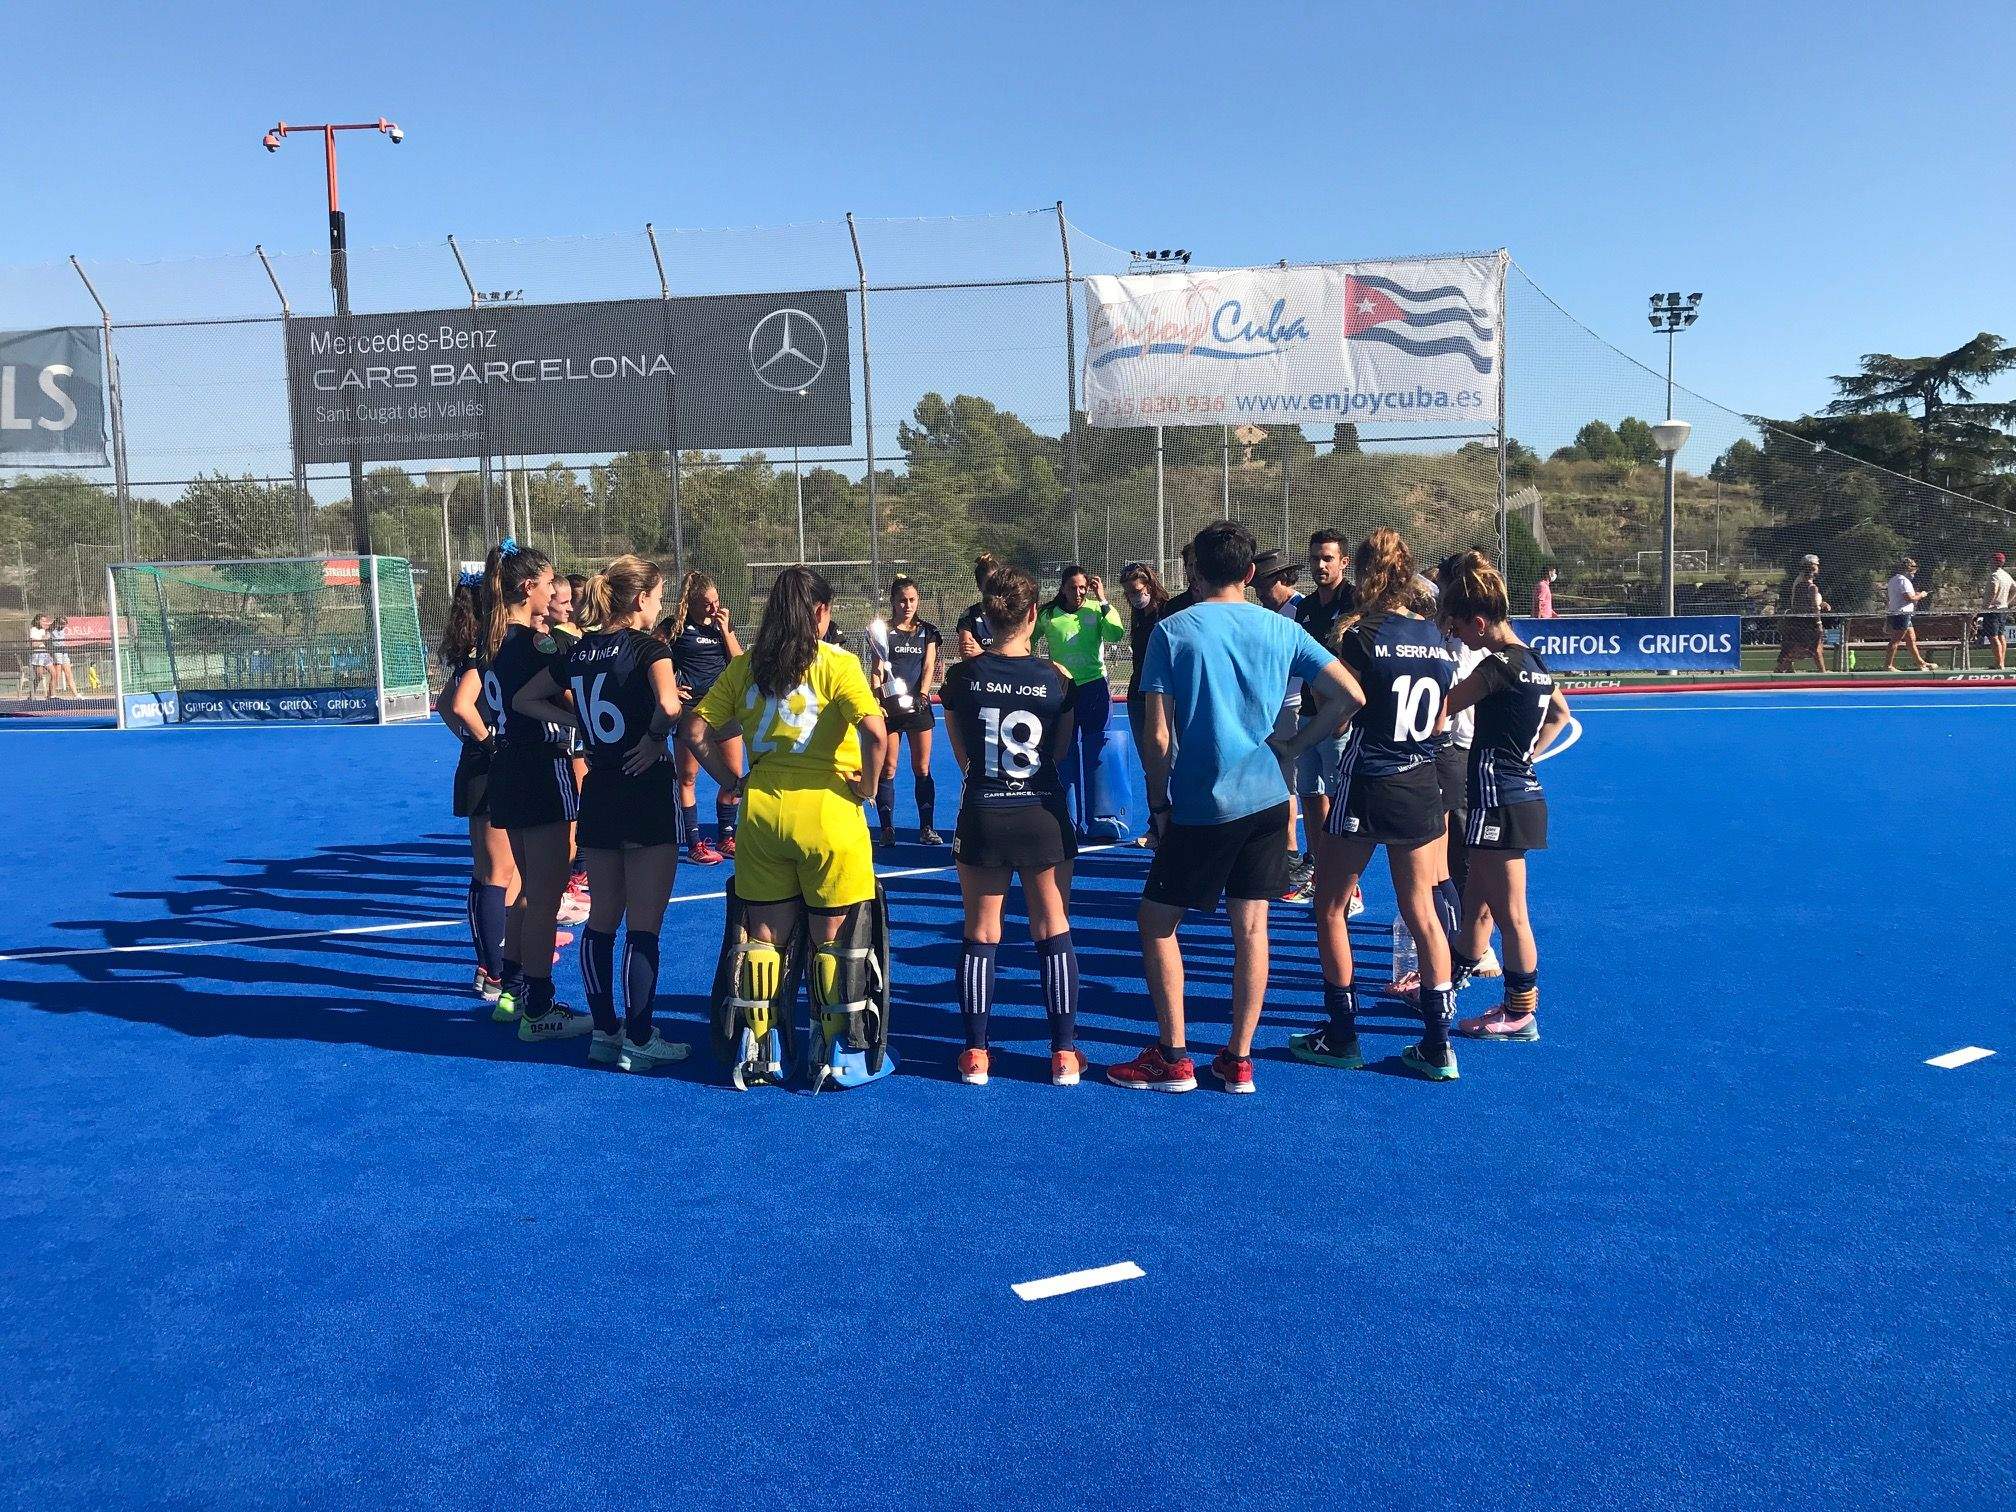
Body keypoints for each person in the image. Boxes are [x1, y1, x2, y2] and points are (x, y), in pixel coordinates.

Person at [1110, 520, 1364, 1095]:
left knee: (1157, 922)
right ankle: (1237, 1058)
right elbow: (1351, 693)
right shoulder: (1281, 629)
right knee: (1252, 927)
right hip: (1270, 798)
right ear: (1251, 574)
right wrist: (1295, 745)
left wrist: (1158, 803)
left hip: (1204, 801)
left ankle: (1175, 1057)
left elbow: (1155, 737)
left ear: (1196, 572)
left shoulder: (1173, 632)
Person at [690, 567, 891, 1087]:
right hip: (828, 813)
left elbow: (694, 729)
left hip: (763, 814)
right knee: (835, 941)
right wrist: (867, 788)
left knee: (763, 938)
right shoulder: (837, 664)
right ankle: (836, 1054)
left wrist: (732, 780)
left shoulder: (746, 666)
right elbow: (875, 730)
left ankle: (759, 1050)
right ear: (820, 613)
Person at [1289, 529, 1463, 1082]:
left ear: (1364, 573)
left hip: (1368, 778)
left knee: (1331, 906)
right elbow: (1439, 719)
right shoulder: (1437, 640)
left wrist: (1295, 742)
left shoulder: (1362, 635)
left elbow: (1341, 709)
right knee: (1422, 911)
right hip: (1420, 780)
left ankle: (1342, 1034)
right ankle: (1438, 1045)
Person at [516, 555, 692, 1073]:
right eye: (658, 596)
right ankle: (638, 1036)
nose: (659, 604)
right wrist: (656, 736)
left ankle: (605, 1031)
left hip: (600, 794)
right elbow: (670, 704)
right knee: (645, 924)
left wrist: (580, 730)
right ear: (641, 599)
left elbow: (527, 699)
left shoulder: (582, 650)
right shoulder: (648, 648)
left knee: (603, 918)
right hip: (644, 790)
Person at [938, 561, 1085, 1087]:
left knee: (981, 932)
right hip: (1042, 812)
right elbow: (1061, 750)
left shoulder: (962, 677)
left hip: (984, 810)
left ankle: (976, 1053)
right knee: (1053, 928)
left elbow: (963, 754)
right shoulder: (1056, 679)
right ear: (1032, 615)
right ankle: (1064, 1055)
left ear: (987, 615)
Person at [1440, 551, 1573, 1045]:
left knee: (1512, 912)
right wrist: (1529, 754)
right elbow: (1559, 715)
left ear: (1480, 621)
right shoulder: (1534, 662)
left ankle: (1520, 1012)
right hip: (1512, 794)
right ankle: (1445, 983)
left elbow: (1441, 709)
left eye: (1461, 630)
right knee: (1477, 902)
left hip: (1500, 800)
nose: (1460, 640)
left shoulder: (1497, 666)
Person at [481, 539, 592, 1042]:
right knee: (545, 896)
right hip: (538, 770)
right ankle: (540, 1009)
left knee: (528, 892)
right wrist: (582, 719)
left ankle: (514, 992)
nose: (554, 593)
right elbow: (553, 697)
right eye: (549, 584)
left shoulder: (494, 643)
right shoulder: (532, 645)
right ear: (529, 589)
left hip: (507, 770)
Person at [436, 576, 518, 1008]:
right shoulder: (486, 654)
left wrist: (472, 742)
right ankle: (495, 969)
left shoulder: (478, 651)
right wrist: (489, 744)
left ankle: (496, 960)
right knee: (498, 874)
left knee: (494, 872)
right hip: (490, 770)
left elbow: (446, 704)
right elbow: (459, 703)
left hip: (481, 767)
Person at [1034, 565, 1126, 835]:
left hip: (1094, 688)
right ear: (1062, 587)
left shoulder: (1097, 610)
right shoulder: (1049, 615)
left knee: (1096, 752)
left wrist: (1104, 599)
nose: (1078, 592)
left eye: (1083, 587)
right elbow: (1027, 641)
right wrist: (1041, 669)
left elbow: (1116, 635)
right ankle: (1069, 820)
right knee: (1065, 754)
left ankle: (1101, 818)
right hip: (1062, 691)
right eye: (1073, 587)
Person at [666, 571, 743, 864]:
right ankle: (695, 843)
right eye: (706, 604)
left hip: (724, 708)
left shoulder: (723, 625)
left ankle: (726, 836)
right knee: (687, 777)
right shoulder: (675, 627)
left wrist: (725, 632)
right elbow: (650, 658)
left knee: (733, 777)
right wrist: (670, 688)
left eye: (716, 602)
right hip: (690, 710)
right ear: (691, 604)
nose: (713, 609)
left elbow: (739, 663)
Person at [1251, 548, 1311, 896]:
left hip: (1293, 705)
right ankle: (1285, 856)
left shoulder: (1299, 611)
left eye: (1263, 583)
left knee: (1289, 784)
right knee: (1278, 783)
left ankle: (1291, 858)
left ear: (1281, 580)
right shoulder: (1271, 613)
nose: (1258, 591)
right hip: (1274, 706)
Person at [872, 575, 944, 847]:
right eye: (902, 600)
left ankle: (927, 828)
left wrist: (924, 694)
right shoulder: (883, 632)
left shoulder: (928, 632)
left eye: (912, 600)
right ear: (893, 601)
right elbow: (877, 670)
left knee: (921, 767)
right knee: (888, 767)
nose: (908, 605)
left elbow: (929, 666)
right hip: (890, 709)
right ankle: (887, 829)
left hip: (918, 707)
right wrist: (877, 698)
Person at [546, 573, 592, 926]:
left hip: (576, 732)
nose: (569, 605)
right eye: (564, 599)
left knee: (580, 805)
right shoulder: (555, 642)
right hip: (569, 734)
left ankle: (566, 882)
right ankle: (564, 885)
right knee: (574, 808)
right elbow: (562, 688)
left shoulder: (580, 637)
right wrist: (588, 712)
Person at [1776, 554, 1830, 674]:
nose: (1818, 567)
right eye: (1816, 565)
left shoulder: (1801, 583)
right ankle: (1823, 674)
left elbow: (1810, 602)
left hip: (1799, 621)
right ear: (1811, 567)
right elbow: (1811, 606)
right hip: (1807, 623)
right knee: (1811, 649)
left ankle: (1822, 672)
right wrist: (1819, 622)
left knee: (1799, 650)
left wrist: (1821, 603)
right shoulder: (1809, 586)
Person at [1884, 557, 1936, 671]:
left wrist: (1915, 594)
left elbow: (1902, 596)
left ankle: (1921, 663)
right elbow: (1909, 598)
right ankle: (1888, 665)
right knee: (1895, 640)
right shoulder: (1903, 581)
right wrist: (1921, 595)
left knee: (1911, 639)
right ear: (1908, 569)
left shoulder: (1893, 580)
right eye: (1913, 569)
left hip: (1900, 613)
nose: (1915, 572)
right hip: (1901, 614)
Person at [955, 552, 1004, 659]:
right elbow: (968, 655)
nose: (993, 587)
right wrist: (1000, 654)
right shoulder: (969, 615)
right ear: (979, 585)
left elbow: (1019, 653)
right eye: (988, 583)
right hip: (980, 674)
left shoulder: (1013, 613)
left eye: (997, 582)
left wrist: (982, 652)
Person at [1983, 551, 2013, 672]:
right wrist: (2007, 602)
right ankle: (2001, 663)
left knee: (1993, 636)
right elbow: (2014, 588)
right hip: (2003, 609)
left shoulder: (1994, 575)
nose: (1989, 562)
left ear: (1995, 562)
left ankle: (1999, 664)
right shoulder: (2006, 575)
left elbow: (1993, 591)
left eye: (1991, 560)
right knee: (2001, 635)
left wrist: (1987, 606)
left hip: (1993, 611)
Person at [25, 614, 51, 699]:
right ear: (38, 621)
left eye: (45, 621)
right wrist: (44, 639)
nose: (45, 622)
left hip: (45, 653)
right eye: (43, 621)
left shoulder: (44, 630)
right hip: (37, 654)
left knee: (54, 673)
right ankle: (32, 694)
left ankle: (51, 696)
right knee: (39, 676)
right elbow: (34, 644)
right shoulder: (33, 630)